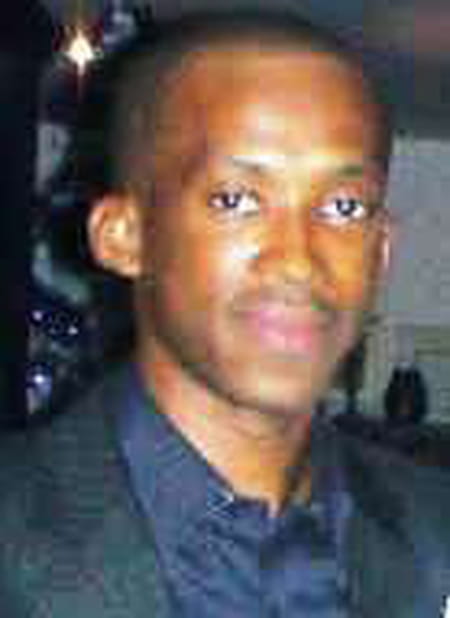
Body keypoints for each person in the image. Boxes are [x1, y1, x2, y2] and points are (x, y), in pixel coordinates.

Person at [1, 11, 449, 618]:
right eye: (235, 200)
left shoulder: (433, 531)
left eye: (344, 207)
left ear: (381, 250)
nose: (298, 261)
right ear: (124, 236)